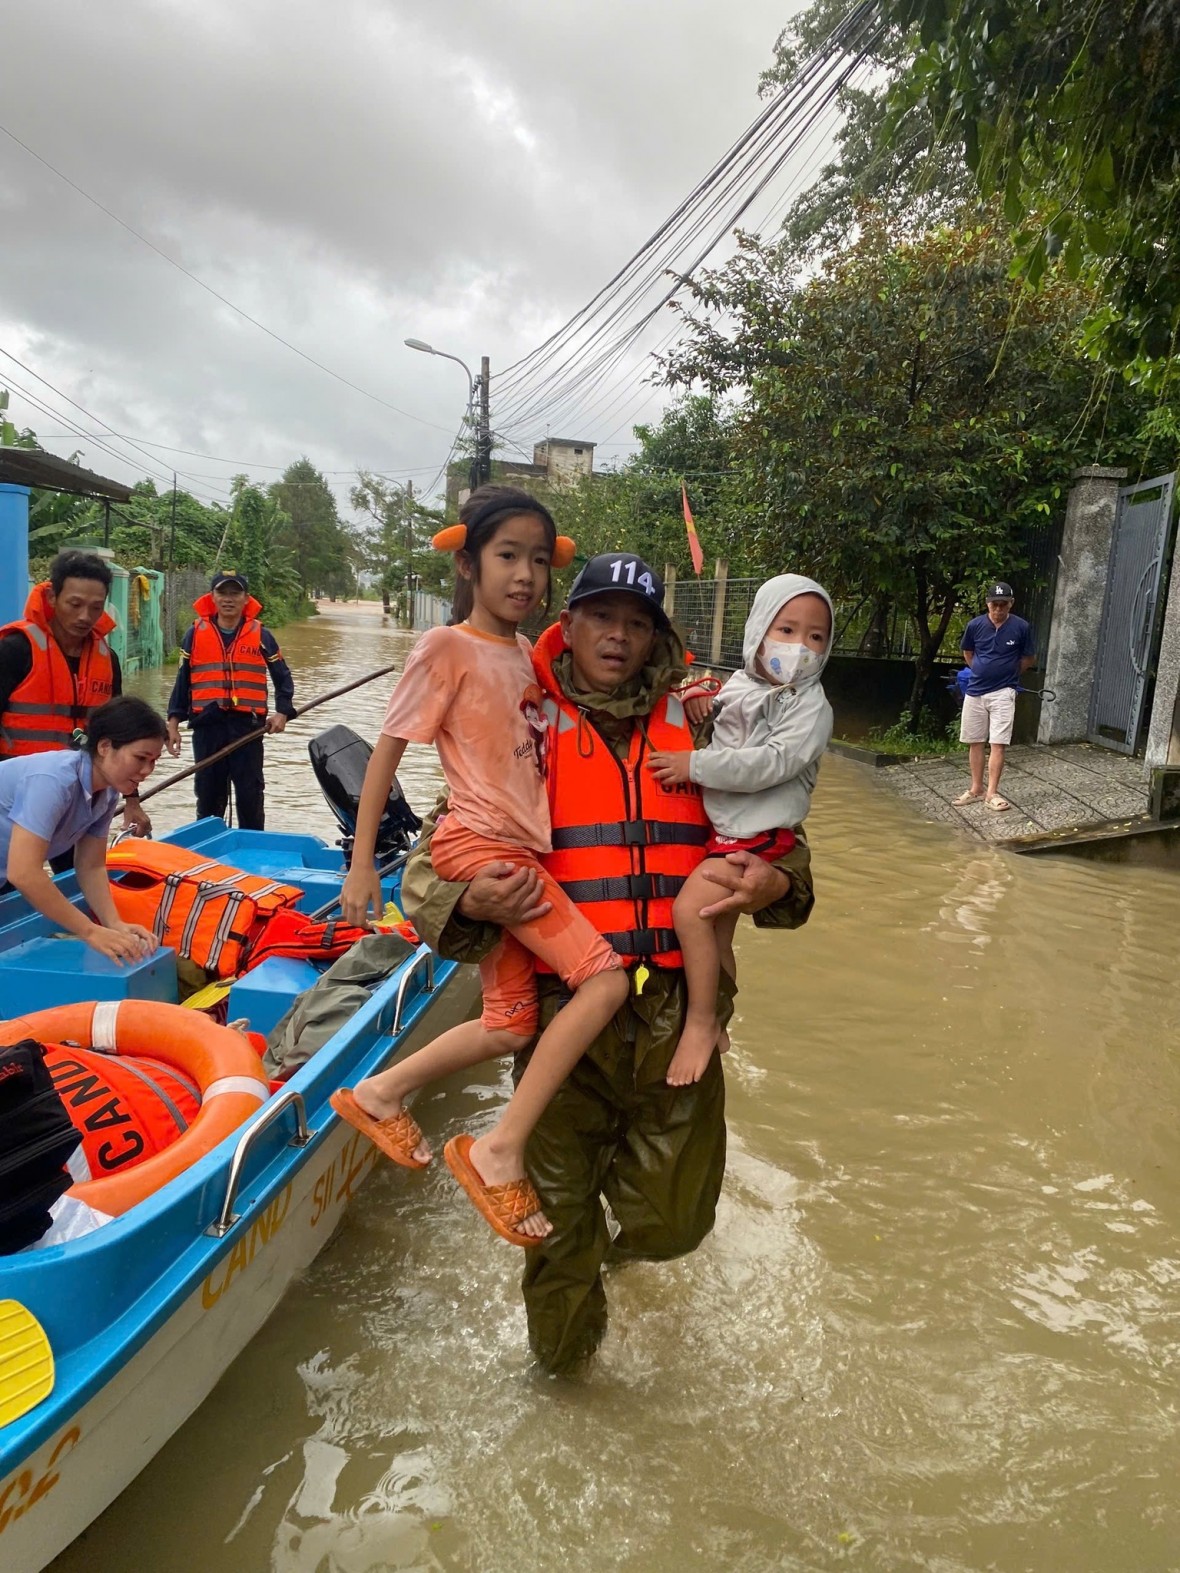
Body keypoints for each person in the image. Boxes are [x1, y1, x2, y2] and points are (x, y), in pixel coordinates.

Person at [398, 547, 815, 1373]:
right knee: (555, 1230)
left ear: (657, 636)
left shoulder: (706, 722)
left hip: (676, 1016)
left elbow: (785, 846)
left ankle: (618, 1254)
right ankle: (563, 1375)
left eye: (636, 623)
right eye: (600, 618)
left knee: (678, 1217)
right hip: (564, 1016)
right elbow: (432, 860)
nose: (617, 636)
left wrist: (776, 880)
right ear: (570, 624)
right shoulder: (523, 721)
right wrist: (468, 899)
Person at [333, 486, 629, 1246]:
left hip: (517, 850)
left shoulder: (528, 655)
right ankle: (499, 1148)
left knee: (509, 1022)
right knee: (603, 980)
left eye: (538, 560)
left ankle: (380, 1090)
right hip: (483, 847)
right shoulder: (446, 647)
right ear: (467, 564)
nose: (525, 575)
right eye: (507, 556)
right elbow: (387, 756)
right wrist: (362, 865)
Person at [648, 574, 834, 1085]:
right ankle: (720, 1022)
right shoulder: (740, 684)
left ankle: (702, 1023)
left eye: (815, 636)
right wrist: (693, 704)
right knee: (719, 937)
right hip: (728, 832)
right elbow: (719, 720)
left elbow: (772, 763)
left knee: (690, 912)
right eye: (787, 630)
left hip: (759, 837)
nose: (799, 648)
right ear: (758, 630)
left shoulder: (812, 707)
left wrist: (694, 766)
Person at [0, 695, 166, 963]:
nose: (147, 770)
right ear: (104, 746)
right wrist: (90, 931)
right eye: (140, 758)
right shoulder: (53, 781)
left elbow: (91, 866)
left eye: (154, 760)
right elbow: (25, 873)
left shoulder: (107, 793)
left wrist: (114, 923)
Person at [0, 549, 151, 843]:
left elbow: (122, 738)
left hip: (78, 798)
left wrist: (132, 800)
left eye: (96, 607)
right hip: (14, 800)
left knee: (81, 877)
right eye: (74, 604)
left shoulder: (107, 661)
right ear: (53, 598)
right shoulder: (14, 651)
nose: (85, 617)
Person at [166, 570, 295, 831]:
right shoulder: (195, 633)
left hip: (247, 727)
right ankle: (208, 850)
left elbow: (282, 676)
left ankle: (253, 851)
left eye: (235, 593)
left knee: (250, 794)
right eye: (222, 592)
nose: (228, 599)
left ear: (246, 598)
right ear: (211, 597)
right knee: (208, 795)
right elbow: (183, 681)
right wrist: (173, 722)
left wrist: (283, 712)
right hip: (207, 725)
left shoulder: (261, 635)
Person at [953, 581, 1036, 813]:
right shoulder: (975, 625)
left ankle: (992, 793)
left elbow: (1028, 659)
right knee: (974, 741)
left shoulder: (1021, 627)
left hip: (1003, 691)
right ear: (987, 604)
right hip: (975, 691)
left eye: (1003, 605)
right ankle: (976, 788)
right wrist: (982, 670)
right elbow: (968, 653)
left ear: (1011, 604)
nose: (998, 609)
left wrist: (1007, 675)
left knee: (998, 743)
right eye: (994, 605)